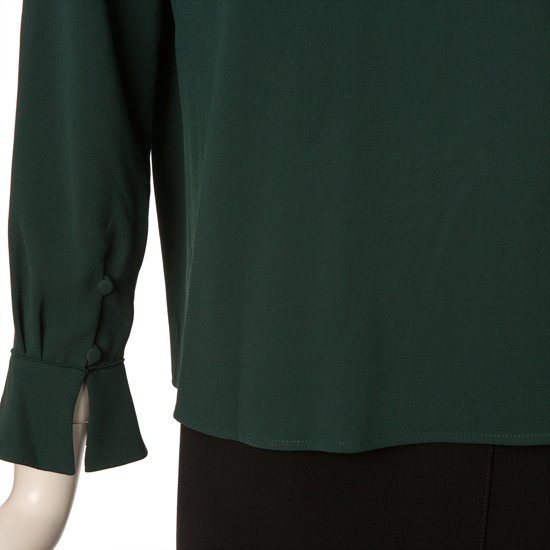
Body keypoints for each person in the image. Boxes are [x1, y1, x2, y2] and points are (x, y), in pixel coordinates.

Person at [0, 1, 549, 549]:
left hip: (284, 379)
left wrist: (44, 463)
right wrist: (55, 390)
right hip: (289, 397)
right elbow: (86, 38)